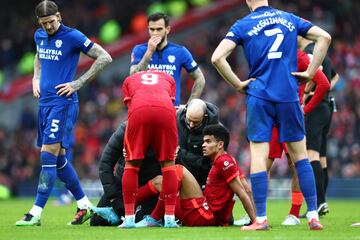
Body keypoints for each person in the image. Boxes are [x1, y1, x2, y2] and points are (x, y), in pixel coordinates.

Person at [211, 0, 331, 231]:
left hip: (259, 96)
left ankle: (261, 220)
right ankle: (313, 216)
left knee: (259, 156)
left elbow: (217, 58)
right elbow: (324, 37)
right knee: (301, 156)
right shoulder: (289, 18)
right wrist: (309, 72)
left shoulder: (242, 24)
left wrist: (237, 84)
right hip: (288, 95)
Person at [16, 0, 112, 226]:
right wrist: (35, 77)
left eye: (51, 22)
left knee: (47, 155)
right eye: (44, 23)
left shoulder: (73, 36)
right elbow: (38, 56)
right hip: (45, 105)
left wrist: (78, 83)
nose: (48, 27)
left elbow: (105, 57)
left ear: (59, 16)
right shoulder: (39, 35)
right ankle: (85, 205)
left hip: (63, 104)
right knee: (58, 160)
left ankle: (35, 213)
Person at [135, 124, 256, 227]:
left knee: (177, 170)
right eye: (204, 141)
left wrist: (255, 221)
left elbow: (242, 192)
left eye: (208, 141)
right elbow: (247, 189)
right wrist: (256, 218)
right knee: (159, 181)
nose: (203, 145)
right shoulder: (229, 160)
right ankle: (124, 208)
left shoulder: (224, 162)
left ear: (220, 144)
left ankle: (153, 218)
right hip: (203, 209)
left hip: (205, 215)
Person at [120, 69, 179, 228]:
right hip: (166, 111)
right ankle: (169, 219)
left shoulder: (129, 79)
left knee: (132, 165)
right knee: (168, 165)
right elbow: (171, 100)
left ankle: (129, 219)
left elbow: (130, 107)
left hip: (140, 111)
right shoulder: (169, 78)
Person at [297, 36, 340, 217]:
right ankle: (323, 202)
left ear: (301, 36)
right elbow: (335, 77)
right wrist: (327, 91)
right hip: (328, 106)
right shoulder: (322, 52)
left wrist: (307, 93)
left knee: (311, 154)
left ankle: (319, 202)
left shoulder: (309, 52)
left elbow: (318, 72)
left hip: (316, 107)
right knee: (321, 158)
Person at [89, 121, 161, 226]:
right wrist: (114, 199)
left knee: (143, 219)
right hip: (122, 185)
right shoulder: (124, 130)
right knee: (97, 221)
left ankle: (127, 216)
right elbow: (105, 164)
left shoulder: (163, 133)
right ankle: (123, 215)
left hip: (149, 188)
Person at [130, 12, 205, 106]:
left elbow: (200, 78)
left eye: (159, 29)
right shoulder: (139, 50)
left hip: (171, 109)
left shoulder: (180, 51)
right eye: (152, 29)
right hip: (145, 108)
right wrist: (149, 52)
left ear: (167, 30)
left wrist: (190, 105)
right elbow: (133, 77)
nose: (155, 33)